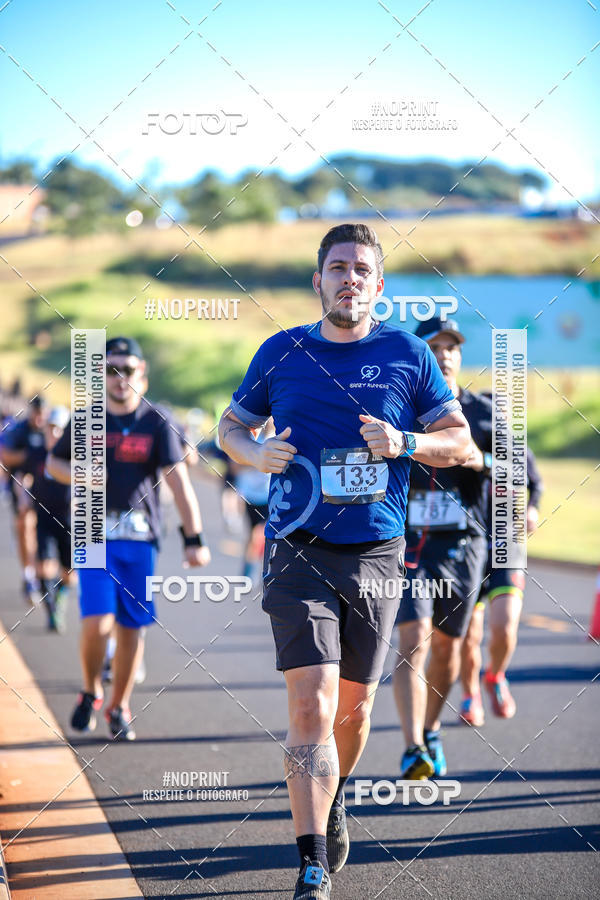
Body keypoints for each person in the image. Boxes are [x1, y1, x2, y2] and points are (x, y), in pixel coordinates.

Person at [218, 223, 471, 899]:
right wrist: (250, 452)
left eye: (362, 268)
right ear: (318, 281)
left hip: (377, 555)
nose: (349, 277)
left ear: (379, 286)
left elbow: (459, 441)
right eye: (337, 266)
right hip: (298, 550)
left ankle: (333, 798)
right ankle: (310, 864)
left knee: (351, 714)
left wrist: (404, 440)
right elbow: (229, 425)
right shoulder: (282, 351)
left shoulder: (407, 353)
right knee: (311, 702)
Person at [47, 336, 210, 741]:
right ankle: (90, 690)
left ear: (144, 377)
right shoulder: (86, 419)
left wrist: (195, 538)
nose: (120, 378)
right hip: (91, 529)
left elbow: (179, 484)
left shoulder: (158, 422)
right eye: (110, 370)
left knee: (131, 626)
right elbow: (53, 462)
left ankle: (119, 705)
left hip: (140, 537)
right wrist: (81, 476)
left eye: (129, 370)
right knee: (96, 622)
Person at [393, 317, 493, 781]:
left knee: (449, 649)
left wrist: (475, 456)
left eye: (452, 346)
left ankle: (431, 727)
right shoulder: (398, 409)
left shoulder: (484, 410)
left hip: (464, 543)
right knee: (412, 640)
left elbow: (513, 471)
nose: (445, 353)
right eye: (435, 345)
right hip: (409, 545)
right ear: (420, 353)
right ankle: (413, 746)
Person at [459, 445, 543, 725]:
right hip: (469, 547)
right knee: (469, 635)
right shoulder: (463, 442)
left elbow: (536, 483)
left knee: (505, 626)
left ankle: (495, 674)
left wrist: (532, 508)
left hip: (508, 546)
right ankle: (470, 695)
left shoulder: (517, 450)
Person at [20, 405, 75, 631]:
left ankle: (60, 595)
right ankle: (52, 611)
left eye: (59, 430)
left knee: (69, 573)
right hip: (43, 516)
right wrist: (24, 497)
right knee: (44, 566)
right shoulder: (36, 453)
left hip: (70, 520)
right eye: (50, 429)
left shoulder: (75, 454)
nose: (54, 434)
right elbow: (24, 476)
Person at [0, 395, 48, 605]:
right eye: (37, 413)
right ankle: (29, 575)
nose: (39, 418)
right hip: (22, 488)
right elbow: (5, 455)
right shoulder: (19, 430)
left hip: (46, 491)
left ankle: (40, 571)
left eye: (42, 414)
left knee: (40, 535)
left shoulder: (50, 430)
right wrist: (29, 456)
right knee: (25, 527)